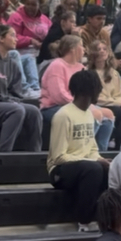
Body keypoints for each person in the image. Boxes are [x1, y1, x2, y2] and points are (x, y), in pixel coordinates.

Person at [46, 70, 109, 232]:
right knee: (94, 168)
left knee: (107, 167)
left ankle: (104, 217)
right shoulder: (63, 115)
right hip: (59, 172)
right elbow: (59, 157)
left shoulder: (89, 114)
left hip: (83, 167)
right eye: (97, 88)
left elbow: (92, 149)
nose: (100, 91)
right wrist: (92, 162)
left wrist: (100, 159)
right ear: (88, 90)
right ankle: (84, 221)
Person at [40, 35, 114, 151]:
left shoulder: (80, 67)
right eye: (81, 46)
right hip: (54, 107)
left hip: (77, 104)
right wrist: (83, 107)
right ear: (73, 49)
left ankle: (100, 152)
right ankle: (81, 149)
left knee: (108, 114)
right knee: (96, 114)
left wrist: (88, 105)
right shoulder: (57, 65)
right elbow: (59, 96)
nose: (84, 49)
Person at [0, 25, 43, 152]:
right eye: (12, 35)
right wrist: (6, 100)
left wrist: (10, 100)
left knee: (34, 111)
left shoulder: (12, 63)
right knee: (16, 110)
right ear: (1, 39)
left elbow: (17, 93)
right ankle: (4, 153)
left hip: (6, 103)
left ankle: (34, 154)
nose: (16, 39)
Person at [89, 40, 121, 148]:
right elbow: (96, 98)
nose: (102, 51)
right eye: (99, 49)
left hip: (114, 103)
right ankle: (120, 147)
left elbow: (120, 93)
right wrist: (119, 102)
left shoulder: (114, 73)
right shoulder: (90, 73)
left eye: (104, 49)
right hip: (99, 104)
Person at [6, 0, 51, 97]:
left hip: (41, 53)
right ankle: (26, 88)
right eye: (28, 4)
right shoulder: (16, 17)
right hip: (20, 51)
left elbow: (51, 36)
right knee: (30, 57)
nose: (30, 7)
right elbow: (11, 37)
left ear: (40, 5)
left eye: (34, 5)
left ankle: (37, 89)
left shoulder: (45, 20)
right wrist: (30, 40)